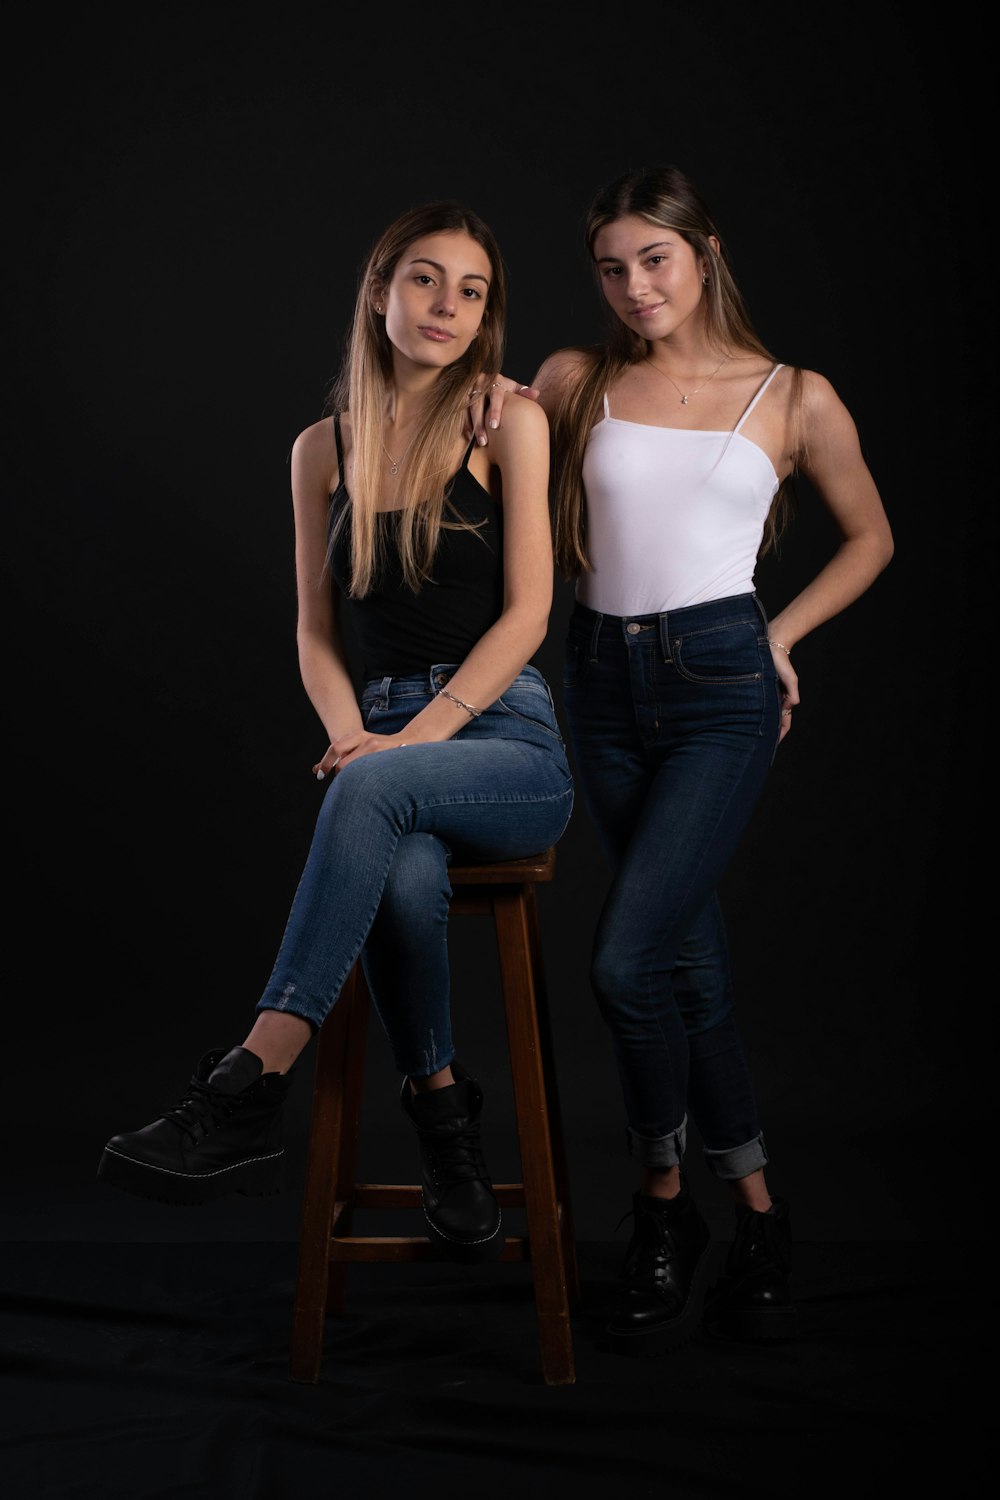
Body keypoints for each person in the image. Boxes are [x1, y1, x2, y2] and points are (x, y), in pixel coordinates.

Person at [98, 201, 574, 1268]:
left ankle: (247, 1084)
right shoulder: (322, 447)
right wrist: (356, 731)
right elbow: (317, 631)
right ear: (377, 289)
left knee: (367, 793)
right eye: (423, 278)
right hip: (390, 741)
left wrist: (410, 745)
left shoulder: (508, 421)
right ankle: (443, 1115)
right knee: (398, 876)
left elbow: (531, 612)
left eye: (472, 289)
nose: (447, 305)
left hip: (505, 741)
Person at [475, 164, 894, 1351]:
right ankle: (756, 1211)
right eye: (610, 268)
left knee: (624, 960)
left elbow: (872, 538)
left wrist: (779, 635)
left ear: (702, 253)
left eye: (652, 260)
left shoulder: (792, 394)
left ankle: (663, 1202)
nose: (632, 286)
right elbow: (503, 480)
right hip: (600, 680)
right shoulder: (574, 379)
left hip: (719, 681)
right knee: (687, 965)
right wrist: (483, 407)